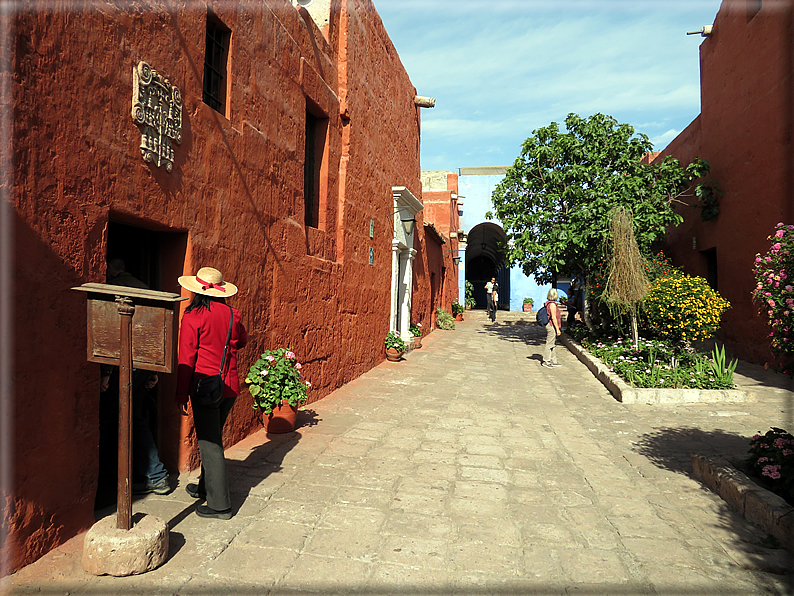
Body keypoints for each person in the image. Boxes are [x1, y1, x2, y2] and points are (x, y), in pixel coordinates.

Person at [176, 266, 248, 520]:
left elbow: (186, 357)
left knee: (210, 443)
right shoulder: (232, 314)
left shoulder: (193, 317)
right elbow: (242, 341)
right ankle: (207, 487)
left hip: (204, 387)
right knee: (212, 436)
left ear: (197, 291)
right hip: (228, 386)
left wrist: (180, 393)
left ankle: (220, 505)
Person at [100, 258, 170, 497]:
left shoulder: (114, 290)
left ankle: (105, 482)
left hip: (121, 367)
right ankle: (156, 475)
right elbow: (155, 330)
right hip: (142, 367)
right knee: (136, 418)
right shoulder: (146, 290)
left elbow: (110, 335)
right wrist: (153, 370)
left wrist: (106, 374)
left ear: (110, 269)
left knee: (109, 420)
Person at [542, 288, 563, 369]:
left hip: (549, 324)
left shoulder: (548, 303)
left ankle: (553, 360)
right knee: (549, 343)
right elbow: (553, 317)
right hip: (551, 325)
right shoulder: (552, 305)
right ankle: (546, 361)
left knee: (552, 343)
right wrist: (557, 329)